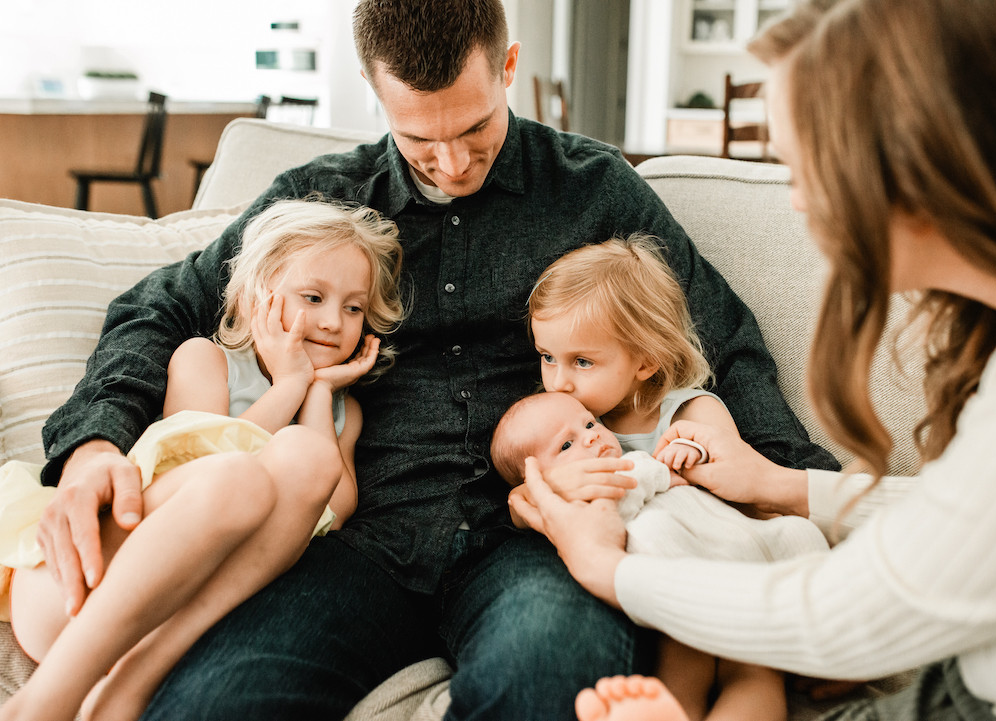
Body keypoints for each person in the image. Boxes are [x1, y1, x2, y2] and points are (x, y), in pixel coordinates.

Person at [32, 1, 836, 719]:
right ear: (372, 90)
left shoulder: (594, 189)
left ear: (509, 67)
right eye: (419, 139)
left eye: (476, 130)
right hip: (354, 545)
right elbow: (158, 306)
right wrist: (96, 440)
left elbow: (720, 337)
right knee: (215, 700)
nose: (451, 164)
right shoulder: (322, 202)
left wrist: (804, 498)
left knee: (553, 678)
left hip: (532, 537)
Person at [510, 0, 996, 719]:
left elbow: (849, 615)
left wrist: (607, 566)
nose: (798, 198)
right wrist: (781, 484)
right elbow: (972, 522)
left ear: (924, 157)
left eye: (804, 162)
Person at [0, 198, 405, 721]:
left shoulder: (338, 412)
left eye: (353, 308)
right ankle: (44, 701)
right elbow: (207, 449)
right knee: (238, 473)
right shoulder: (204, 358)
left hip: (173, 626)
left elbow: (336, 504)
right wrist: (291, 383)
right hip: (86, 588)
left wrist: (316, 394)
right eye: (313, 297)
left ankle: (124, 690)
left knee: (307, 456)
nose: (333, 321)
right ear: (260, 297)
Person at [492, 390, 828, 721]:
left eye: (591, 424)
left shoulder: (637, 461)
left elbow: (674, 470)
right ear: (539, 481)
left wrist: (687, 451)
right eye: (566, 445)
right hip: (676, 597)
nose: (592, 439)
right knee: (686, 670)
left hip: (739, 562)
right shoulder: (575, 509)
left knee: (752, 671)